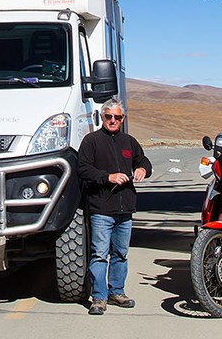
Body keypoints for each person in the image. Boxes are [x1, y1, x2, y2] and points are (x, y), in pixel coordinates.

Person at [76, 100, 151, 315]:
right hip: (101, 208)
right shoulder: (91, 141)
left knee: (121, 253)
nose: (112, 120)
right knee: (99, 254)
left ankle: (117, 292)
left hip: (125, 208)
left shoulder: (129, 142)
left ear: (122, 119)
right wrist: (107, 177)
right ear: (102, 117)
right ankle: (98, 298)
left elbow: (144, 161)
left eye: (117, 117)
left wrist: (143, 170)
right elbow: (82, 169)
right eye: (109, 116)